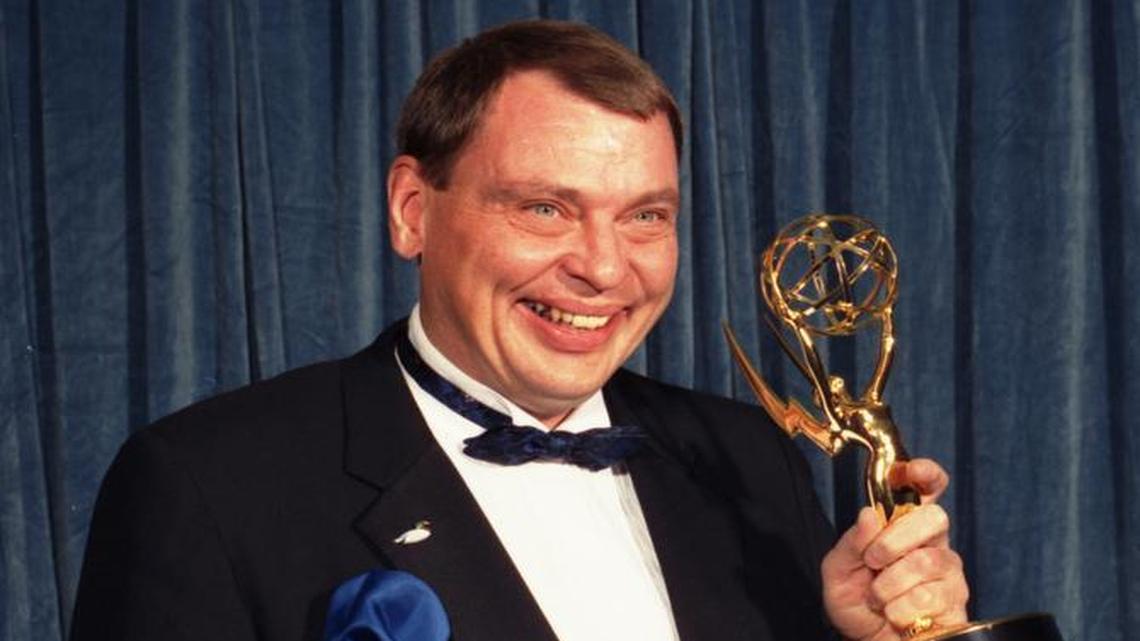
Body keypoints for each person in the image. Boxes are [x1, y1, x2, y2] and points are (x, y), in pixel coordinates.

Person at [70, 19, 968, 641]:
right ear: (413, 210)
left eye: (646, 216)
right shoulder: (208, 485)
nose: (605, 268)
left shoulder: (746, 456)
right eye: (545, 207)